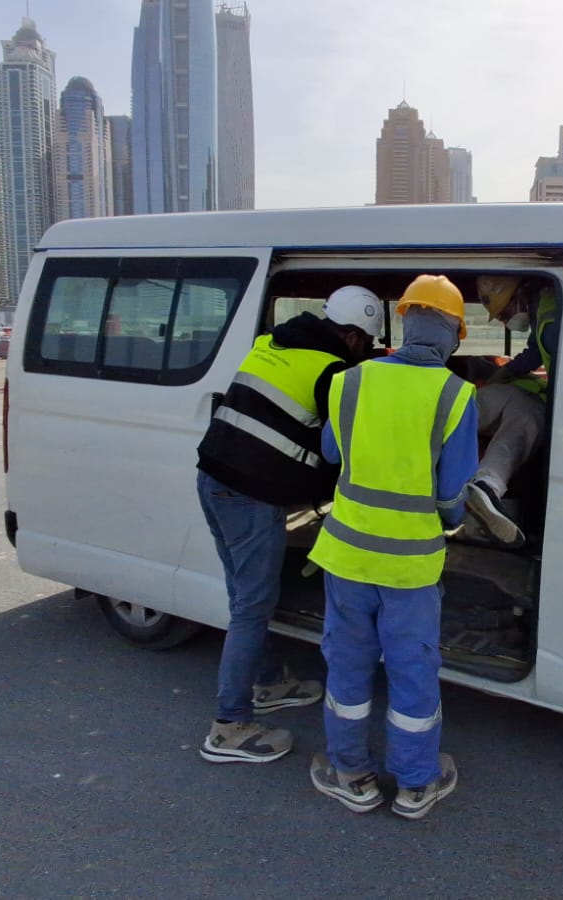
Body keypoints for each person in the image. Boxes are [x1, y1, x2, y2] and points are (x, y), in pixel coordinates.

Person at [308, 274, 478, 820]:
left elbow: (332, 452)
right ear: (454, 332)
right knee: (411, 671)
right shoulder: (456, 393)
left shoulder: (349, 380)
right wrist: (447, 520)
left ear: (404, 319)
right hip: (411, 566)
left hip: (347, 555)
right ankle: (414, 785)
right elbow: (453, 493)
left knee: (349, 668)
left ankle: (351, 774)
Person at [194, 286, 383, 765]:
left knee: (244, 595)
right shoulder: (332, 372)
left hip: (212, 478)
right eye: (368, 341)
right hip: (250, 496)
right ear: (351, 334)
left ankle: (270, 682)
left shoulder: (272, 343)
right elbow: (347, 443)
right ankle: (228, 726)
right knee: (252, 607)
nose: (370, 350)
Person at [458, 276, 561, 548]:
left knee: (455, 419)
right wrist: (507, 371)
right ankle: (487, 486)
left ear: (519, 296)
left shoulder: (551, 316)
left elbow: (540, 353)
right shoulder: (549, 309)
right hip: (526, 400)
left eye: (504, 313)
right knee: (514, 435)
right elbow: (537, 353)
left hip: (511, 397)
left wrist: (503, 373)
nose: (505, 321)